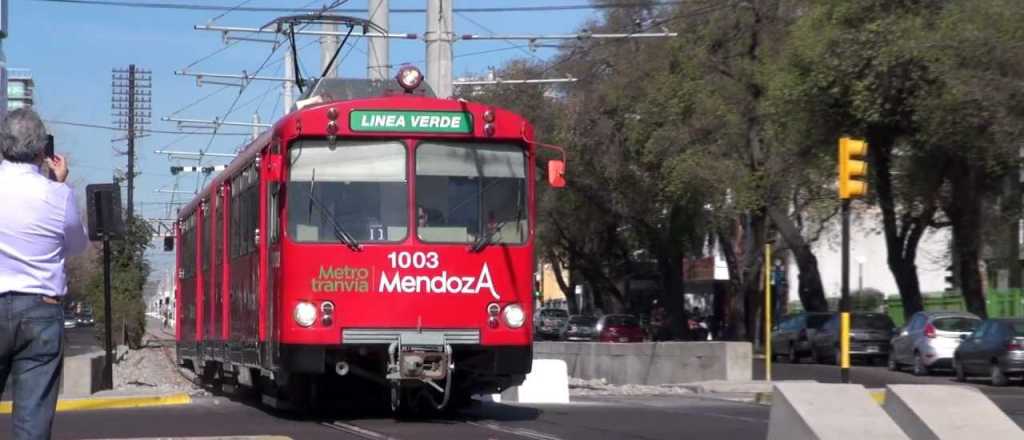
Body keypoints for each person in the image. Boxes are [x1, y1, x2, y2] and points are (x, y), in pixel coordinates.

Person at [0, 109, 88, 440]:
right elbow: (77, 245)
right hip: (40, 310)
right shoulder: (57, 195)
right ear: (42, 149)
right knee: (32, 421)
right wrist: (59, 184)